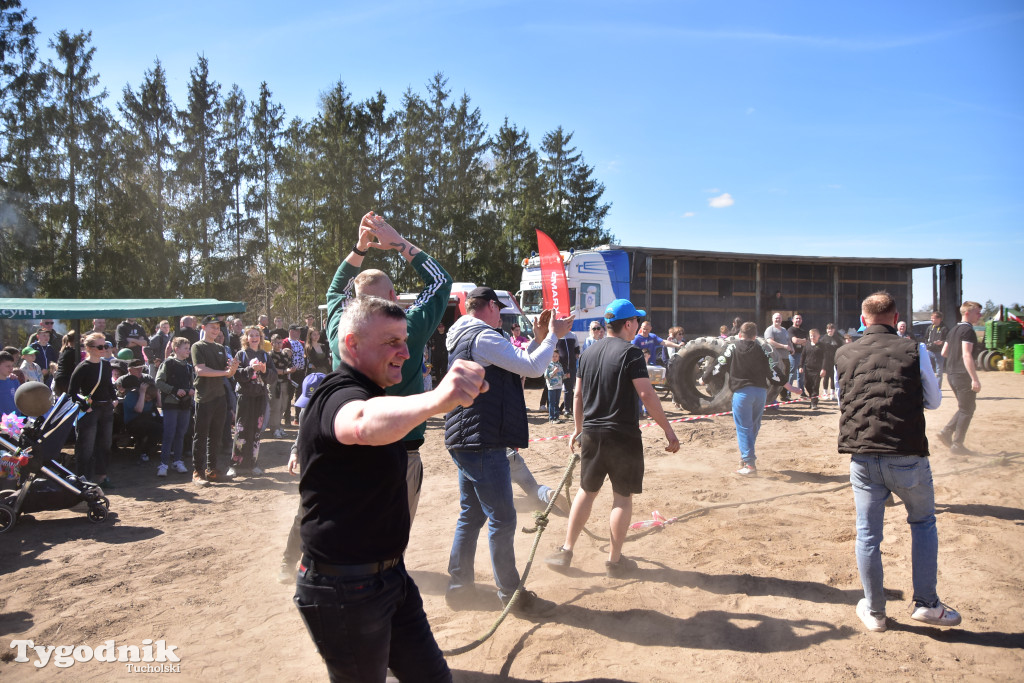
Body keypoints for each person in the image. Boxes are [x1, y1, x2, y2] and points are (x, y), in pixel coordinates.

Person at [294, 295, 488, 683]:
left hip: (389, 579)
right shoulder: (339, 393)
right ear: (352, 344)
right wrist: (437, 399)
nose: (404, 350)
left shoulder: (373, 392)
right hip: (345, 588)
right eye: (390, 342)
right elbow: (362, 423)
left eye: (404, 339)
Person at [835, 291, 960, 633]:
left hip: (862, 456)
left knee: (868, 534)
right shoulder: (914, 349)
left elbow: (842, 399)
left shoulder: (843, 352)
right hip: (906, 454)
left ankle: (875, 612)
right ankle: (927, 604)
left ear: (864, 319)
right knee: (922, 523)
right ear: (895, 317)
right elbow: (933, 401)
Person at [444, 287, 573, 617]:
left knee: (470, 516)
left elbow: (515, 364)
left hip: (467, 436)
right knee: (502, 519)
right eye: (498, 309)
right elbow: (531, 369)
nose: (500, 316)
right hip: (483, 438)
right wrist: (553, 337)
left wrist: (540, 337)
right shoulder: (483, 336)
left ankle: (460, 589)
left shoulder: (467, 335)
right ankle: (510, 595)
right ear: (488, 306)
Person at [326, 211, 453, 523]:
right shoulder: (408, 327)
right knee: (390, 543)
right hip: (399, 452)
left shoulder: (340, 332)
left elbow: (335, 291)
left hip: (345, 449)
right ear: (394, 297)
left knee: (345, 535)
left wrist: (360, 247)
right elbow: (440, 281)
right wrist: (398, 243)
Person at [545, 299, 680, 577]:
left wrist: (577, 429)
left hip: (592, 434)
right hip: (622, 435)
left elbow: (578, 395)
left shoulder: (588, 354)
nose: (635, 327)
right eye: (635, 322)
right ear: (629, 324)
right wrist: (668, 429)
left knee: (587, 492)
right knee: (622, 498)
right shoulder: (631, 353)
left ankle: (566, 551)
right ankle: (615, 561)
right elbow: (646, 394)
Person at [710, 321, 784, 476]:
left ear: (739, 334)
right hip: (760, 393)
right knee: (754, 426)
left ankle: (749, 464)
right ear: (755, 336)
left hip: (742, 393)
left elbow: (719, 365)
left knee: (744, 428)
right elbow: (772, 369)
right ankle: (745, 458)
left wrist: (705, 377)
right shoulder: (762, 349)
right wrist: (784, 382)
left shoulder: (733, 347)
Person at [191, 316, 239, 486]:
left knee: (216, 436)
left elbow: (227, 372)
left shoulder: (220, 347)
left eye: (218, 327)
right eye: (212, 327)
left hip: (220, 396)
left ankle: (211, 470)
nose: (215, 330)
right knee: (201, 436)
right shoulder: (197, 346)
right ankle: (197, 471)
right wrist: (225, 373)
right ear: (203, 327)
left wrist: (232, 368)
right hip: (204, 397)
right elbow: (201, 370)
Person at [67, 333, 117, 487]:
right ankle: (83, 479)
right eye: (100, 347)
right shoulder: (83, 367)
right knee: (86, 446)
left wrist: (114, 398)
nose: (104, 349)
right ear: (89, 348)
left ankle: (102, 476)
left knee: (105, 444)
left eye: (106, 346)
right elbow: (72, 392)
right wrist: (85, 407)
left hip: (106, 408)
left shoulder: (106, 365)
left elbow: (109, 385)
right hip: (90, 410)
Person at [229, 326, 275, 478]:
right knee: (241, 429)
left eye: (257, 335)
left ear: (261, 338)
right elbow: (237, 375)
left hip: (260, 396)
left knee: (256, 430)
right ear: (246, 338)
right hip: (244, 396)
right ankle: (235, 465)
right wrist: (250, 369)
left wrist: (264, 371)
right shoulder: (241, 354)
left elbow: (273, 377)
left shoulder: (265, 355)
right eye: (251, 335)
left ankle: (253, 464)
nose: (254, 338)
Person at [937, 301, 982, 455]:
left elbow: (944, 352)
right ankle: (956, 443)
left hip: (951, 374)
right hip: (962, 375)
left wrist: (954, 360)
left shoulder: (953, 330)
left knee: (966, 407)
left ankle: (947, 432)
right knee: (967, 409)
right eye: (977, 312)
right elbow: (966, 354)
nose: (980, 315)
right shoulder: (968, 331)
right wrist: (974, 379)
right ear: (967, 313)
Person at [155, 337, 194, 476]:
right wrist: (175, 390)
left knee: (181, 433)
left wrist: (191, 390)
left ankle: (178, 461)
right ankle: (163, 464)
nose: (188, 351)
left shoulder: (189, 367)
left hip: (185, 405)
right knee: (169, 434)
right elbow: (159, 382)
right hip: (171, 405)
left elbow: (192, 383)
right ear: (176, 349)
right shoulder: (168, 364)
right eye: (185, 348)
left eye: (189, 348)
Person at [764, 312, 793, 398]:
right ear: (772, 319)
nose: (778, 320)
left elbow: (788, 341)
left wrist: (792, 348)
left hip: (785, 358)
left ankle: (784, 396)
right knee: (776, 378)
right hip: (775, 360)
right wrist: (783, 346)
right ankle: (773, 398)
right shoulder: (770, 330)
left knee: (785, 377)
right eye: (776, 318)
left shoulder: (784, 330)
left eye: (779, 318)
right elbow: (770, 342)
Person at [268, 334, 292, 438]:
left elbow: (289, 366)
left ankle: (279, 426)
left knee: (283, 406)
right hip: (274, 383)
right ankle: (274, 428)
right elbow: (273, 370)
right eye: (276, 343)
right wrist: (284, 371)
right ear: (272, 343)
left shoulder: (284, 355)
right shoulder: (269, 355)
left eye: (280, 342)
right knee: (276, 406)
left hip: (285, 382)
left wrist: (290, 370)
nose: (279, 345)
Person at [800, 329, 827, 409]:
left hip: (817, 370)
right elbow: (803, 356)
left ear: (818, 336)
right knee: (807, 384)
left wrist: (823, 368)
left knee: (815, 386)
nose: (812, 337)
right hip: (808, 369)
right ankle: (813, 397)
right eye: (811, 336)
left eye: (814, 336)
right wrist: (800, 366)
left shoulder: (822, 345)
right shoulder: (807, 345)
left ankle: (814, 403)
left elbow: (825, 358)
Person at [820, 322, 844, 400]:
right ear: (826, 330)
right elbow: (820, 350)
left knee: (834, 378)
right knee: (826, 378)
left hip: (834, 361)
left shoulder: (838, 339)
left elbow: (841, 349)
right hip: (826, 361)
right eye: (828, 329)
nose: (830, 330)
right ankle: (825, 393)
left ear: (834, 330)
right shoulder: (823, 339)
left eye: (831, 329)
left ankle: (832, 394)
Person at [924, 312, 948, 389]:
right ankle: (929, 387)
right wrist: (927, 346)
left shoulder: (944, 328)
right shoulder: (930, 328)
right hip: (929, 352)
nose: (932, 319)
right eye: (931, 318)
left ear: (939, 319)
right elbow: (925, 338)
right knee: (927, 371)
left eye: (933, 318)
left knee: (939, 372)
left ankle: (937, 388)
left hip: (939, 353)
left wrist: (942, 343)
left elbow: (948, 340)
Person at [787, 313, 808, 393]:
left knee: (801, 374)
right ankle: (788, 393)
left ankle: (801, 392)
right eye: (797, 318)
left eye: (800, 319)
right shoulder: (790, 330)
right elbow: (794, 341)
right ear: (793, 320)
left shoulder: (803, 331)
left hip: (802, 355)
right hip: (793, 355)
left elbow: (806, 342)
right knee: (792, 373)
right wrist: (802, 340)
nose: (798, 320)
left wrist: (800, 341)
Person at [544, 349, 565, 423]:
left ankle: (557, 417)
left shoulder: (559, 365)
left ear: (559, 357)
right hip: (552, 387)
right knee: (552, 402)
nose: (555, 357)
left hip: (559, 386)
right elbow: (546, 376)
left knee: (557, 402)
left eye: (556, 356)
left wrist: (565, 376)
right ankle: (551, 418)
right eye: (553, 356)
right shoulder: (549, 365)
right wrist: (553, 372)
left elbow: (561, 375)